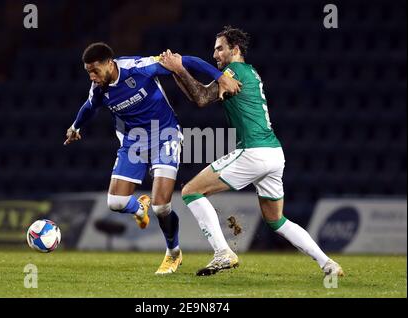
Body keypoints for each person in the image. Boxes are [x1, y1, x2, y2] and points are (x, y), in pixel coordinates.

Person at [159, 26, 344, 277]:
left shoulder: (233, 71)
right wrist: (177, 72)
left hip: (254, 151)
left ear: (235, 49)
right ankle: (328, 263)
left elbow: (201, 98)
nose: (215, 54)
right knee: (276, 220)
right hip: (274, 154)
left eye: (220, 48)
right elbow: (200, 95)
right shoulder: (250, 72)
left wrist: (179, 68)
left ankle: (223, 252)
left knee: (191, 191)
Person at [64, 42, 241, 275]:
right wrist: (76, 126)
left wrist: (220, 77)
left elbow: (186, 61)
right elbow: (89, 107)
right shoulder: (99, 89)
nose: (92, 77)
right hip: (133, 142)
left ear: (110, 63)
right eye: (88, 72)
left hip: (165, 135)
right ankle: (139, 208)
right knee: (115, 203)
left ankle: (173, 253)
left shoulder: (139, 67)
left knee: (161, 206)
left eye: (95, 70)